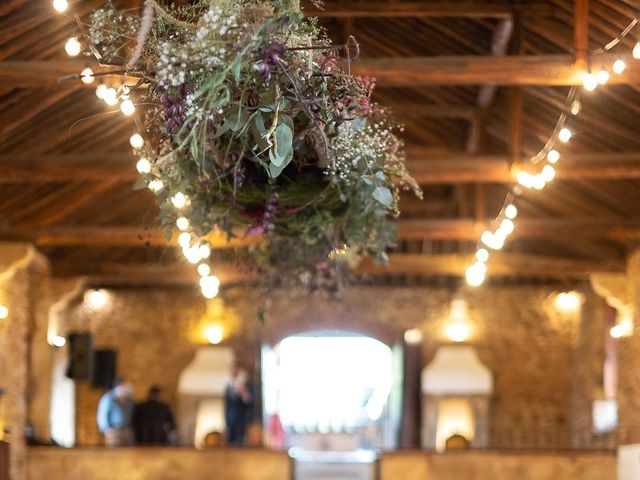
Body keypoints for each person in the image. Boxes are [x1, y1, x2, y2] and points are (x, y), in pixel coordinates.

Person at [97, 378, 134, 446]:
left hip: (127, 429)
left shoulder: (129, 399)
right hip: (114, 430)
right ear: (120, 386)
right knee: (116, 453)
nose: (128, 388)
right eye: (126, 385)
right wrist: (106, 430)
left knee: (129, 453)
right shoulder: (108, 398)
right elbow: (102, 415)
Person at [224, 367, 253, 446]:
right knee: (231, 440)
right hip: (231, 419)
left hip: (242, 420)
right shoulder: (229, 387)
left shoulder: (247, 387)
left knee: (240, 439)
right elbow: (227, 405)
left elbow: (248, 401)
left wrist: (243, 392)